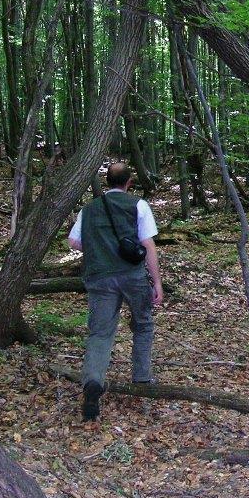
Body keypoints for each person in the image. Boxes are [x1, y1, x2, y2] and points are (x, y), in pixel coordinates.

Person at [68, 162, 163, 421]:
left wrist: (99, 246)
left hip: (99, 278)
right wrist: (157, 282)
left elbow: (74, 241)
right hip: (133, 277)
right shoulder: (138, 205)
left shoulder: (88, 210)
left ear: (107, 181)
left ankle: (93, 383)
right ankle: (142, 380)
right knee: (143, 325)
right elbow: (148, 246)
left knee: (100, 333)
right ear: (129, 182)